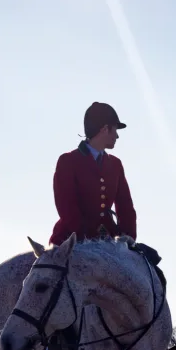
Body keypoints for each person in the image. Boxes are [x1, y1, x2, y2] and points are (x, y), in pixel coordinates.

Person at [49, 102, 137, 246]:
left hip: (108, 237)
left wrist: (127, 238)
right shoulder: (68, 161)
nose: (117, 136)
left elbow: (125, 206)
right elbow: (66, 206)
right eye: (115, 130)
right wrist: (86, 235)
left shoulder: (115, 164)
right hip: (72, 239)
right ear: (104, 129)